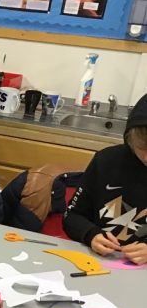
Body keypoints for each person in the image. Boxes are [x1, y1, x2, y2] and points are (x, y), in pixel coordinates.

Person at [63, 95, 147, 265]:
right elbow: (72, 215)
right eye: (141, 147)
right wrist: (90, 234)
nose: (146, 157)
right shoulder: (107, 161)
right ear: (130, 139)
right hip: (98, 263)